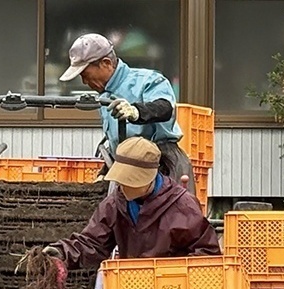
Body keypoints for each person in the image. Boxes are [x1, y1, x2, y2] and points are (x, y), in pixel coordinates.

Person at [41, 136, 219, 268]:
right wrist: (62, 252)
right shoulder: (113, 205)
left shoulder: (182, 206)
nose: (123, 186)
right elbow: (93, 243)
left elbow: (207, 254)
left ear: (150, 178)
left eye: (131, 181)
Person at [59, 33, 194, 192]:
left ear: (106, 63)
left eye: (86, 75)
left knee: (169, 214)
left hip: (163, 163)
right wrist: (105, 171)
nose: (85, 82)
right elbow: (117, 143)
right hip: (125, 167)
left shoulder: (148, 80)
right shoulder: (105, 97)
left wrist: (136, 111)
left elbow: (165, 108)